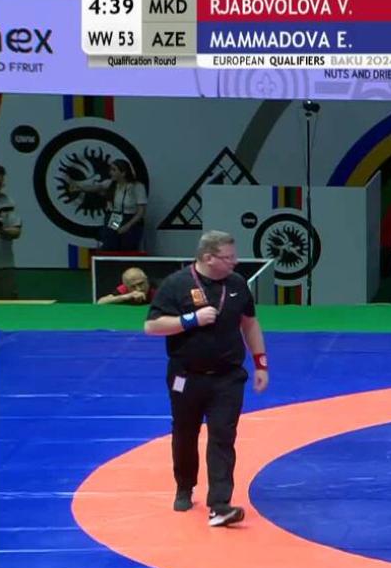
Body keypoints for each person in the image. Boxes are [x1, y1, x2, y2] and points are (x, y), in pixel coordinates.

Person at [144, 231, 269, 527]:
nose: (234, 262)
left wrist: (260, 363)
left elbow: (250, 323)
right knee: (185, 433)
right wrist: (190, 320)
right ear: (208, 258)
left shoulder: (237, 284)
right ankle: (184, 486)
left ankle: (220, 504)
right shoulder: (177, 284)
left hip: (227, 376)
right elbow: (152, 326)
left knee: (223, 436)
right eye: (228, 258)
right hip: (187, 376)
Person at [66, 159, 147, 251]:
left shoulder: (137, 186)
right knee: (110, 240)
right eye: (111, 169)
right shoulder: (110, 183)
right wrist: (80, 187)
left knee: (127, 246)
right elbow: (97, 187)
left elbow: (141, 212)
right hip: (116, 218)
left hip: (131, 219)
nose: (110, 172)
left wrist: (127, 226)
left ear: (123, 173)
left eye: (114, 170)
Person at [0, 162, 23, 300]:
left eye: (0, 184)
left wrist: (0, 230)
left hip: (2, 265)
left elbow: (16, 232)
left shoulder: (7, 201)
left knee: (8, 305)